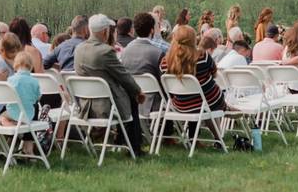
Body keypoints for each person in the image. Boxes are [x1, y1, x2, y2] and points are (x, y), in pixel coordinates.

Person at [73, 14, 146, 155]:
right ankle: (134, 146)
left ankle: (121, 139)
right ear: (105, 31)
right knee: (132, 97)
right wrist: (138, 91)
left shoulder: (79, 49)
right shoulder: (105, 52)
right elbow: (124, 76)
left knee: (129, 94)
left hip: (85, 105)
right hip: (105, 105)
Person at [160, 25, 225, 138]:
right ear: (194, 39)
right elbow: (214, 74)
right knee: (209, 96)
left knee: (201, 96)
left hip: (179, 105)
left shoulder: (165, 61)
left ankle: (214, 135)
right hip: (206, 103)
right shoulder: (203, 56)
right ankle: (218, 137)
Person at [0, 51, 42, 156]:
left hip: (13, 113)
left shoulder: (11, 80)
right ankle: (28, 147)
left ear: (15, 65)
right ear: (31, 66)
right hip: (28, 115)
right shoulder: (34, 81)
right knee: (33, 107)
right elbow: (37, 98)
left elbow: (6, 97)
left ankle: (9, 125)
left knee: (1, 116)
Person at [120, 12, 165, 79]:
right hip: (152, 89)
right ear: (152, 30)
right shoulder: (158, 53)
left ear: (135, 30)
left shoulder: (124, 51)